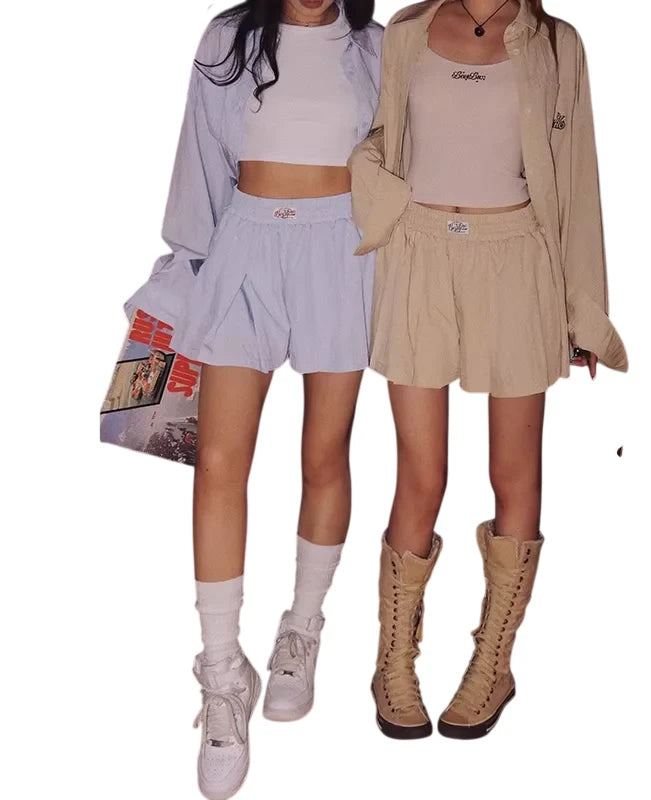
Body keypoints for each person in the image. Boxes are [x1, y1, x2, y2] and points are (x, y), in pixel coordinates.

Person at [348, 0, 627, 740]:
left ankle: (492, 664)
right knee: (421, 475)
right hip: (418, 255)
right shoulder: (407, 32)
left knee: (514, 472)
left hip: (517, 260)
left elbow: (577, 178)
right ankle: (392, 663)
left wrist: (583, 309)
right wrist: (369, 179)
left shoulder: (558, 45)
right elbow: (381, 137)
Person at [124, 0, 381, 796]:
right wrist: (181, 276)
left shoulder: (379, 47)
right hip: (243, 246)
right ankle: (221, 670)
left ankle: (301, 629)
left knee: (324, 453)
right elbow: (199, 162)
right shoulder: (227, 38)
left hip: (344, 250)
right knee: (217, 462)